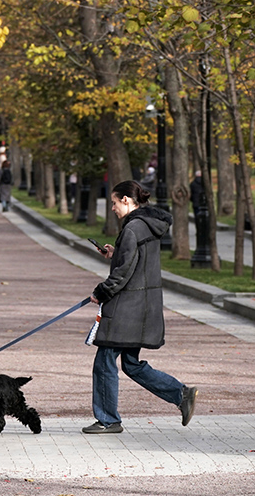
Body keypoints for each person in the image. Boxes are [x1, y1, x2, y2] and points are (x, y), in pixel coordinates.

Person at [84, 180, 197, 434]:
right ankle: (181, 394)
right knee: (131, 364)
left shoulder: (133, 228)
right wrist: (116, 253)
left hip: (127, 307)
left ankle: (108, 419)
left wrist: (101, 292)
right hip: (142, 306)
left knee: (104, 361)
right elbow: (135, 261)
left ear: (126, 200)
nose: (112, 208)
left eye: (114, 202)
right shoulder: (146, 226)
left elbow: (124, 272)